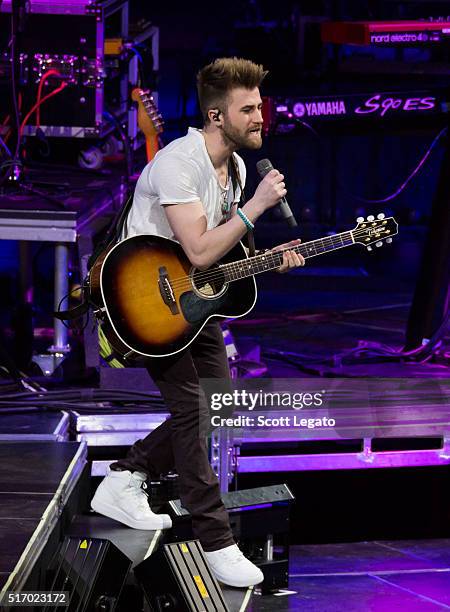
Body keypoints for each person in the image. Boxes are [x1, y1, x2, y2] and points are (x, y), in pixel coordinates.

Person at [91, 57, 304, 588]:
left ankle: (127, 477)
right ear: (215, 115)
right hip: (142, 304)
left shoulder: (231, 169)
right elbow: (200, 249)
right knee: (192, 409)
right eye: (248, 109)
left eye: (261, 106)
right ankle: (216, 541)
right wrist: (256, 205)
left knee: (216, 405)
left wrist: (269, 256)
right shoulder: (178, 162)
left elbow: (224, 250)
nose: (261, 117)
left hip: (192, 302)